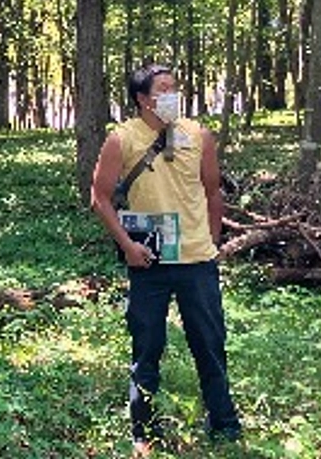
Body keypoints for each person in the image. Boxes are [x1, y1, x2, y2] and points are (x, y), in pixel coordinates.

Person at [90, 64, 241, 454]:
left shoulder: (198, 134)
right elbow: (100, 198)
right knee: (147, 348)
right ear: (143, 99)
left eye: (175, 87)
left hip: (197, 262)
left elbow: (213, 192)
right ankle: (144, 430)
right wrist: (128, 246)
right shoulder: (122, 139)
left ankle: (224, 424)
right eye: (163, 89)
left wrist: (211, 242)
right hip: (149, 262)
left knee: (210, 345)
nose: (172, 94)